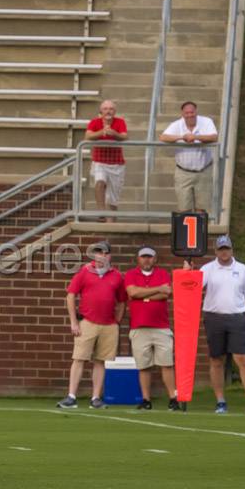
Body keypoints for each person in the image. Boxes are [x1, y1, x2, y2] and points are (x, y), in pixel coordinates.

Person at [191, 235, 245, 414]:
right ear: (216, 251)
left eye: (227, 249)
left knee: (243, 359)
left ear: (231, 250)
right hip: (214, 317)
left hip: (236, 317)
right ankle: (220, 401)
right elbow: (194, 287)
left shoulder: (242, 269)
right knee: (216, 359)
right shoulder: (208, 269)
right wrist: (190, 273)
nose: (224, 253)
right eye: (221, 249)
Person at [58, 240, 126, 409]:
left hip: (109, 324)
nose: (101, 256)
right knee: (79, 358)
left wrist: (117, 320)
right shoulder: (84, 272)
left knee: (100, 361)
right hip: (87, 322)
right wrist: (74, 322)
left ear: (109, 255)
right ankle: (71, 396)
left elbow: (122, 301)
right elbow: (70, 295)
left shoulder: (117, 275)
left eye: (105, 253)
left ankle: (95, 398)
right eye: (98, 252)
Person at [123, 246, 178, 410]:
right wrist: (156, 290)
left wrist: (145, 294)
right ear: (138, 259)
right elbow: (133, 293)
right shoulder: (131, 274)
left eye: (150, 257)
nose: (146, 260)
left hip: (161, 326)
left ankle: (173, 398)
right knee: (143, 365)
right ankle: (146, 400)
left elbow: (165, 293)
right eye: (143, 257)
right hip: (139, 326)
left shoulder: (162, 274)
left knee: (166, 363)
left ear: (155, 259)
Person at [159, 101, 218, 212]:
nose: (190, 115)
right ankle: (186, 229)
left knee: (202, 209)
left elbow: (214, 137)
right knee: (184, 208)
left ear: (196, 112)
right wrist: (182, 137)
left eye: (192, 112)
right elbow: (163, 137)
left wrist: (195, 137)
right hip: (183, 173)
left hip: (204, 171)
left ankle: (200, 230)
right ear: (183, 114)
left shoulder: (206, 121)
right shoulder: (177, 124)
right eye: (187, 113)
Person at [84, 100, 128, 220]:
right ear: (101, 111)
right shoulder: (95, 122)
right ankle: (101, 211)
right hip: (100, 161)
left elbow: (125, 136)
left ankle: (112, 222)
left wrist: (113, 133)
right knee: (99, 182)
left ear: (115, 111)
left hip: (117, 163)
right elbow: (88, 136)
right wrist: (102, 132)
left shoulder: (120, 122)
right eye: (105, 109)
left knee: (113, 200)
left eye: (111, 109)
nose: (108, 111)